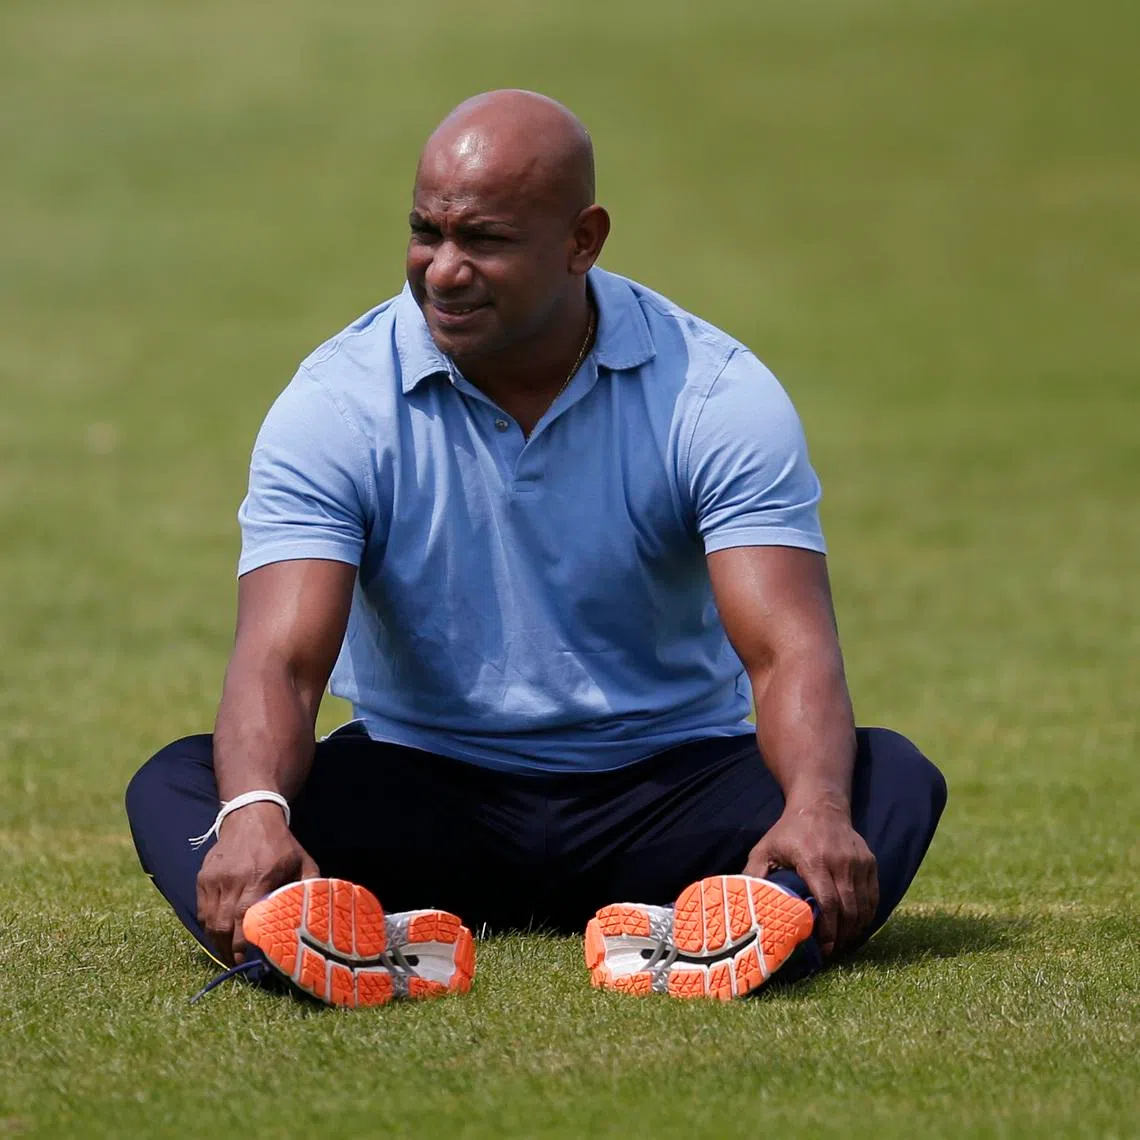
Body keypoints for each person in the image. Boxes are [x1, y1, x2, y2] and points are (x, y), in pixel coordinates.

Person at [126, 89, 946, 1007]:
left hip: (664, 789)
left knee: (886, 780)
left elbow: (787, 647)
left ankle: (730, 925)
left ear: (582, 241)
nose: (442, 269)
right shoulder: (337, 402)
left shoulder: (713, 394)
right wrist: (252, 818)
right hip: (427, 791)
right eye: (425, 232)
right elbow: (280, 660)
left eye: (484, 240)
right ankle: (343, 936)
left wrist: (817, 809)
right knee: (188, 787)